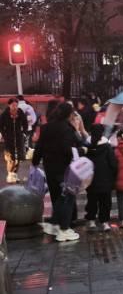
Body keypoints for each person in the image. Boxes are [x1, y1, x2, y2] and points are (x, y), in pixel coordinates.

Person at [32, 102, 84, 242]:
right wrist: (82, 150)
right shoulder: (67, 129)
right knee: (67, 197)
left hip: (49, 168)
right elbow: (68, 149)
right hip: (64, 169)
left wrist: (35, 162)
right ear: (69, 114)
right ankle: (64, 229)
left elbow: (39, 147)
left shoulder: (46, 127)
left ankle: (55, 225)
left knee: (57, 197)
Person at [85, 124, 117, 232]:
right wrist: (113, 177)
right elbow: (113, 164)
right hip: (105, 179)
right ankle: (104, 222)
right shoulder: (107, 147)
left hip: (91, 179)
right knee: (105, 201)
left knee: (92, 200)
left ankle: (91, 220)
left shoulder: (87, 146)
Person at [0, 99, 28, 183]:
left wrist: (24, 133)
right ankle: (10, 176)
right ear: (9, 105)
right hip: (9, 138)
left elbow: (25, 123)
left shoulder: (20, 112)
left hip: (19, 137)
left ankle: (14, 175)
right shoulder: (4, 114)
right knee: (10, 158)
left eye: (16, 105)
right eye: (13, 105)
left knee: (18, 158)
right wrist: (4, 135)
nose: (15, 107)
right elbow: (0, 126)